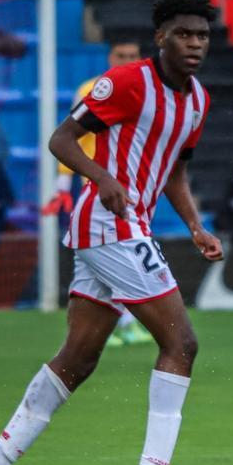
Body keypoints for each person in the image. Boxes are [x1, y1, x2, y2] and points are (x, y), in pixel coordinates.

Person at [0, 0, 223, 465]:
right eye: (184, 34)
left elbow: (172, 167)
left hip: (127, 226)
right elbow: (63, 139)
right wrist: (101, 176)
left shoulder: (198, 99)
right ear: (161, 38)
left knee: (79, 359)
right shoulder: (127, 84)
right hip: (109, 225)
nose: (195, 43)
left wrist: (195, 225)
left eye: (202, 35)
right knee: (182, 343)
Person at [49, 38, 149, 348]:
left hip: (133, 184)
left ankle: (99, 328)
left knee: (101, 257)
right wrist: (63, 183)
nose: (126, 60)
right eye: (121, 55)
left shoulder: (144, 92)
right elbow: (72, 138)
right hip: (98, 183)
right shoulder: (92, 89)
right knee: (117, 251)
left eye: (132, 55)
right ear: (110, 56)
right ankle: (126, 323)